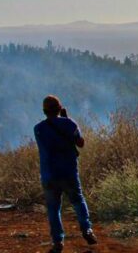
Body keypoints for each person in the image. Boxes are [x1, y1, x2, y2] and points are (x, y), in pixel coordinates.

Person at [34, 95, 98, 253]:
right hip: (69, 172)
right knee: (78, 201)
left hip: (49, 174)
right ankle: (87, 230)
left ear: (44, 111)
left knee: (53, 209)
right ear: (60, 108)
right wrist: (66, 119)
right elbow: (80, 143)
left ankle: (58, 242)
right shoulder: (69, 124)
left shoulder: (38, 129)